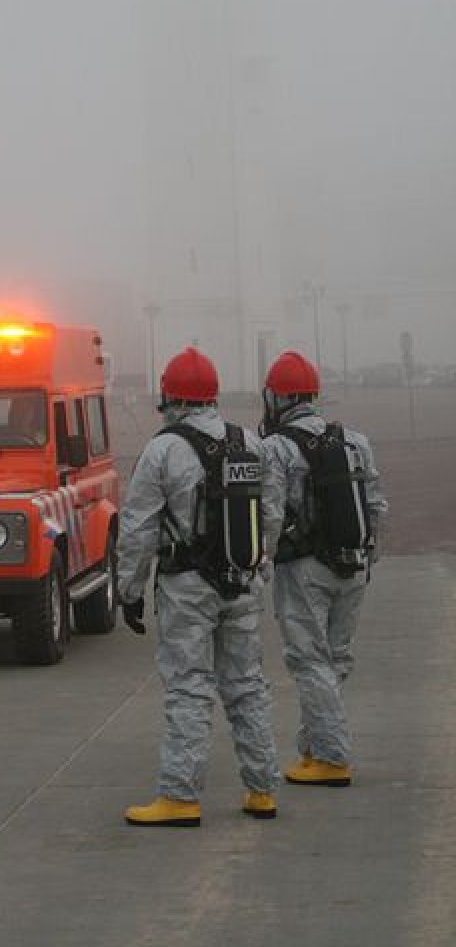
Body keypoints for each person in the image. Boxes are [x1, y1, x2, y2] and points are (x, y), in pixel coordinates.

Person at [117, 347, 281, 826]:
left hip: (187, 586)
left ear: (168, 395)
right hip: (243, 582)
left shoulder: (162, 450)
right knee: (247, 686)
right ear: (213, 394)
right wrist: (260, 563)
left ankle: (180, 796)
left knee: (189, 688)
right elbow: (270, 514)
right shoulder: (250, 442)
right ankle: (262, 790)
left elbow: (138, 528)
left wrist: (129, 590)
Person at [260, 351, 389, 786]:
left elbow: (272, 515)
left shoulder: (277, 448)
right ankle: (314, 748)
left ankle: (332, 757)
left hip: (305, 569)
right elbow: (376, 505)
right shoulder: (355, 440)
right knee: (334, 659)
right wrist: (367, 554)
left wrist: (261, 564)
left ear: (276, 398)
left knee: (307, 659)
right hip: (352, 566)